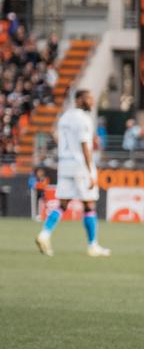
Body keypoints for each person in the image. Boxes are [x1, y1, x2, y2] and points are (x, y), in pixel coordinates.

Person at [34, 89, 110, 258]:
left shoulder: (64, 117)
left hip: (65, 164)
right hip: (79, 165)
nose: (91, 101)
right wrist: (91, 171)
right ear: (79, 100)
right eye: (88, 98)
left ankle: (44, 234)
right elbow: (84, 145)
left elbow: (56, 137)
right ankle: (93, 245)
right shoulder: (83, 119)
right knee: (89, 204)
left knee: (62, 204)